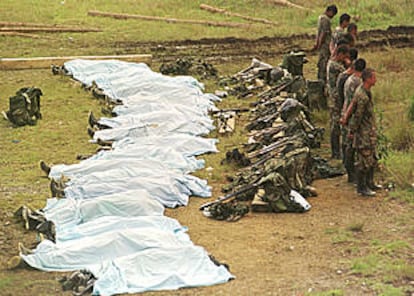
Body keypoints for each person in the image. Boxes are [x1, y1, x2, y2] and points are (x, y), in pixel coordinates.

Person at [348, 68, 381, 196]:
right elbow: (357, 116)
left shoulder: (366, 92)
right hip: (364, 134)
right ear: (368, 79)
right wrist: (352, 131)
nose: (375, 79)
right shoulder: (362, 96)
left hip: (369, 132)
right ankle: (362, 187)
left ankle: (370, 182)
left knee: (371, 158)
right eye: (374, 77)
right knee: (363, 161)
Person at [326, 45, 350, 159]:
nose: (344, 58)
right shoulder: (335, 66)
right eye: (344, 56)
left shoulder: (331, 62)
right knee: (335, 125)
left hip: (333, 98)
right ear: (340, 54)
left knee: (334, 124)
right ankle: (335, 152)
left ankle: (335, 151)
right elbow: (348, 72)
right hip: (336, 99)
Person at [313, 4, 338, 83]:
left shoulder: (320, 18)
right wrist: (319, 44)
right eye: (333, 14)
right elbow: (323, 34)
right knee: (323, 63)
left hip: (322, 45)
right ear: (330, 11)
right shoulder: (326, 20)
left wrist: (317, 43)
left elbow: (319, 33)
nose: (332, 16)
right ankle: (322, 81)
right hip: (325, 45)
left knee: (321, 62)